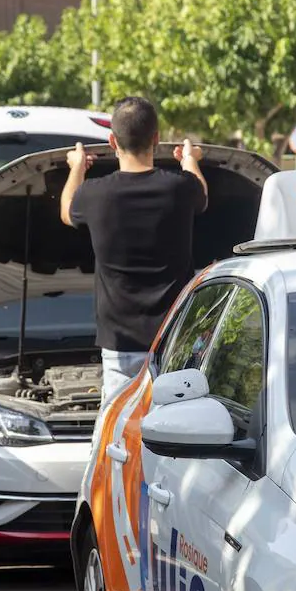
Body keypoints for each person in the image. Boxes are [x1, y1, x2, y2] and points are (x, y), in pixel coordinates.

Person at [60, 97, 208, 399]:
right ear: (156, 138)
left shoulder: (94, 194)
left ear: (113, 140)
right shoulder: (179, 188)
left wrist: (77, 168)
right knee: (176, 429)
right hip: (172, 340)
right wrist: (190, 160)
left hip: (120, 345)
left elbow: (66, 211)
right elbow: (201, 193)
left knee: (118, 431)